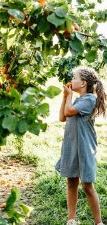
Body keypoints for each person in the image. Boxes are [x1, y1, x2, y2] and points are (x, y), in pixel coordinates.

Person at [55, 67, 106, 225]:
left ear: (83, 83)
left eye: (74, 77)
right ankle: (71, 220)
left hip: (84, 147)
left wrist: (69, 96)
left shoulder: (89, 99)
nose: (71, 79)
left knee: (87, 185)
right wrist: (65, 96)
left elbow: (69, 111)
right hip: (72, 145)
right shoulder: (77, 100)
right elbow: (62, 117)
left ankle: (98, 222)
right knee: (71, 181)